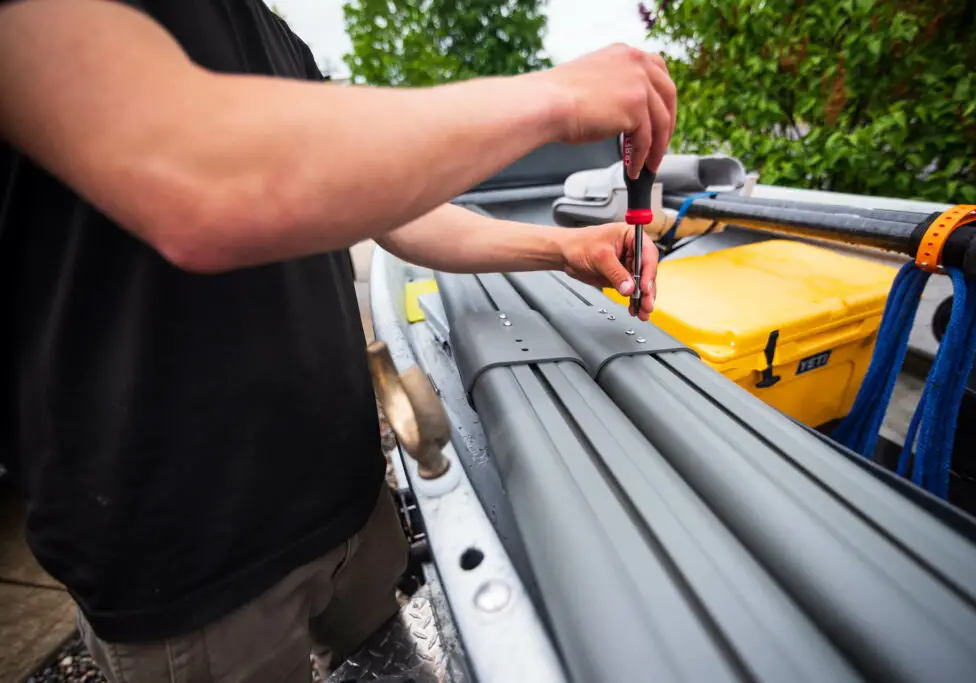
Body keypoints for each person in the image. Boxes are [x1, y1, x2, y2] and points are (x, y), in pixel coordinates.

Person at [0, 1, 675, 681]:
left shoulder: (271, 33)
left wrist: (564, 247)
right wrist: (554, 97)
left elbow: (395, 210)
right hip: (189, 569)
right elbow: (200, 176)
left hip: (346, 502)